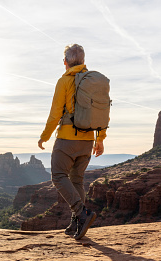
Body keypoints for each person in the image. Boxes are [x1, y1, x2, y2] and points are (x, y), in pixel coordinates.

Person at [38, 44, 106, 240]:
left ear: (65, 62)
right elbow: (101, 112)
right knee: (77, 180)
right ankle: (76, 223)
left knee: (58, 176)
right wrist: (99, 139)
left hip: (67, 138)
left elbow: (55, 113)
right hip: (87, 140)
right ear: (84, 61)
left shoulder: (64, 81)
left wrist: (45, 135)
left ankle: (81, 213)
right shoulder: (93, 81)